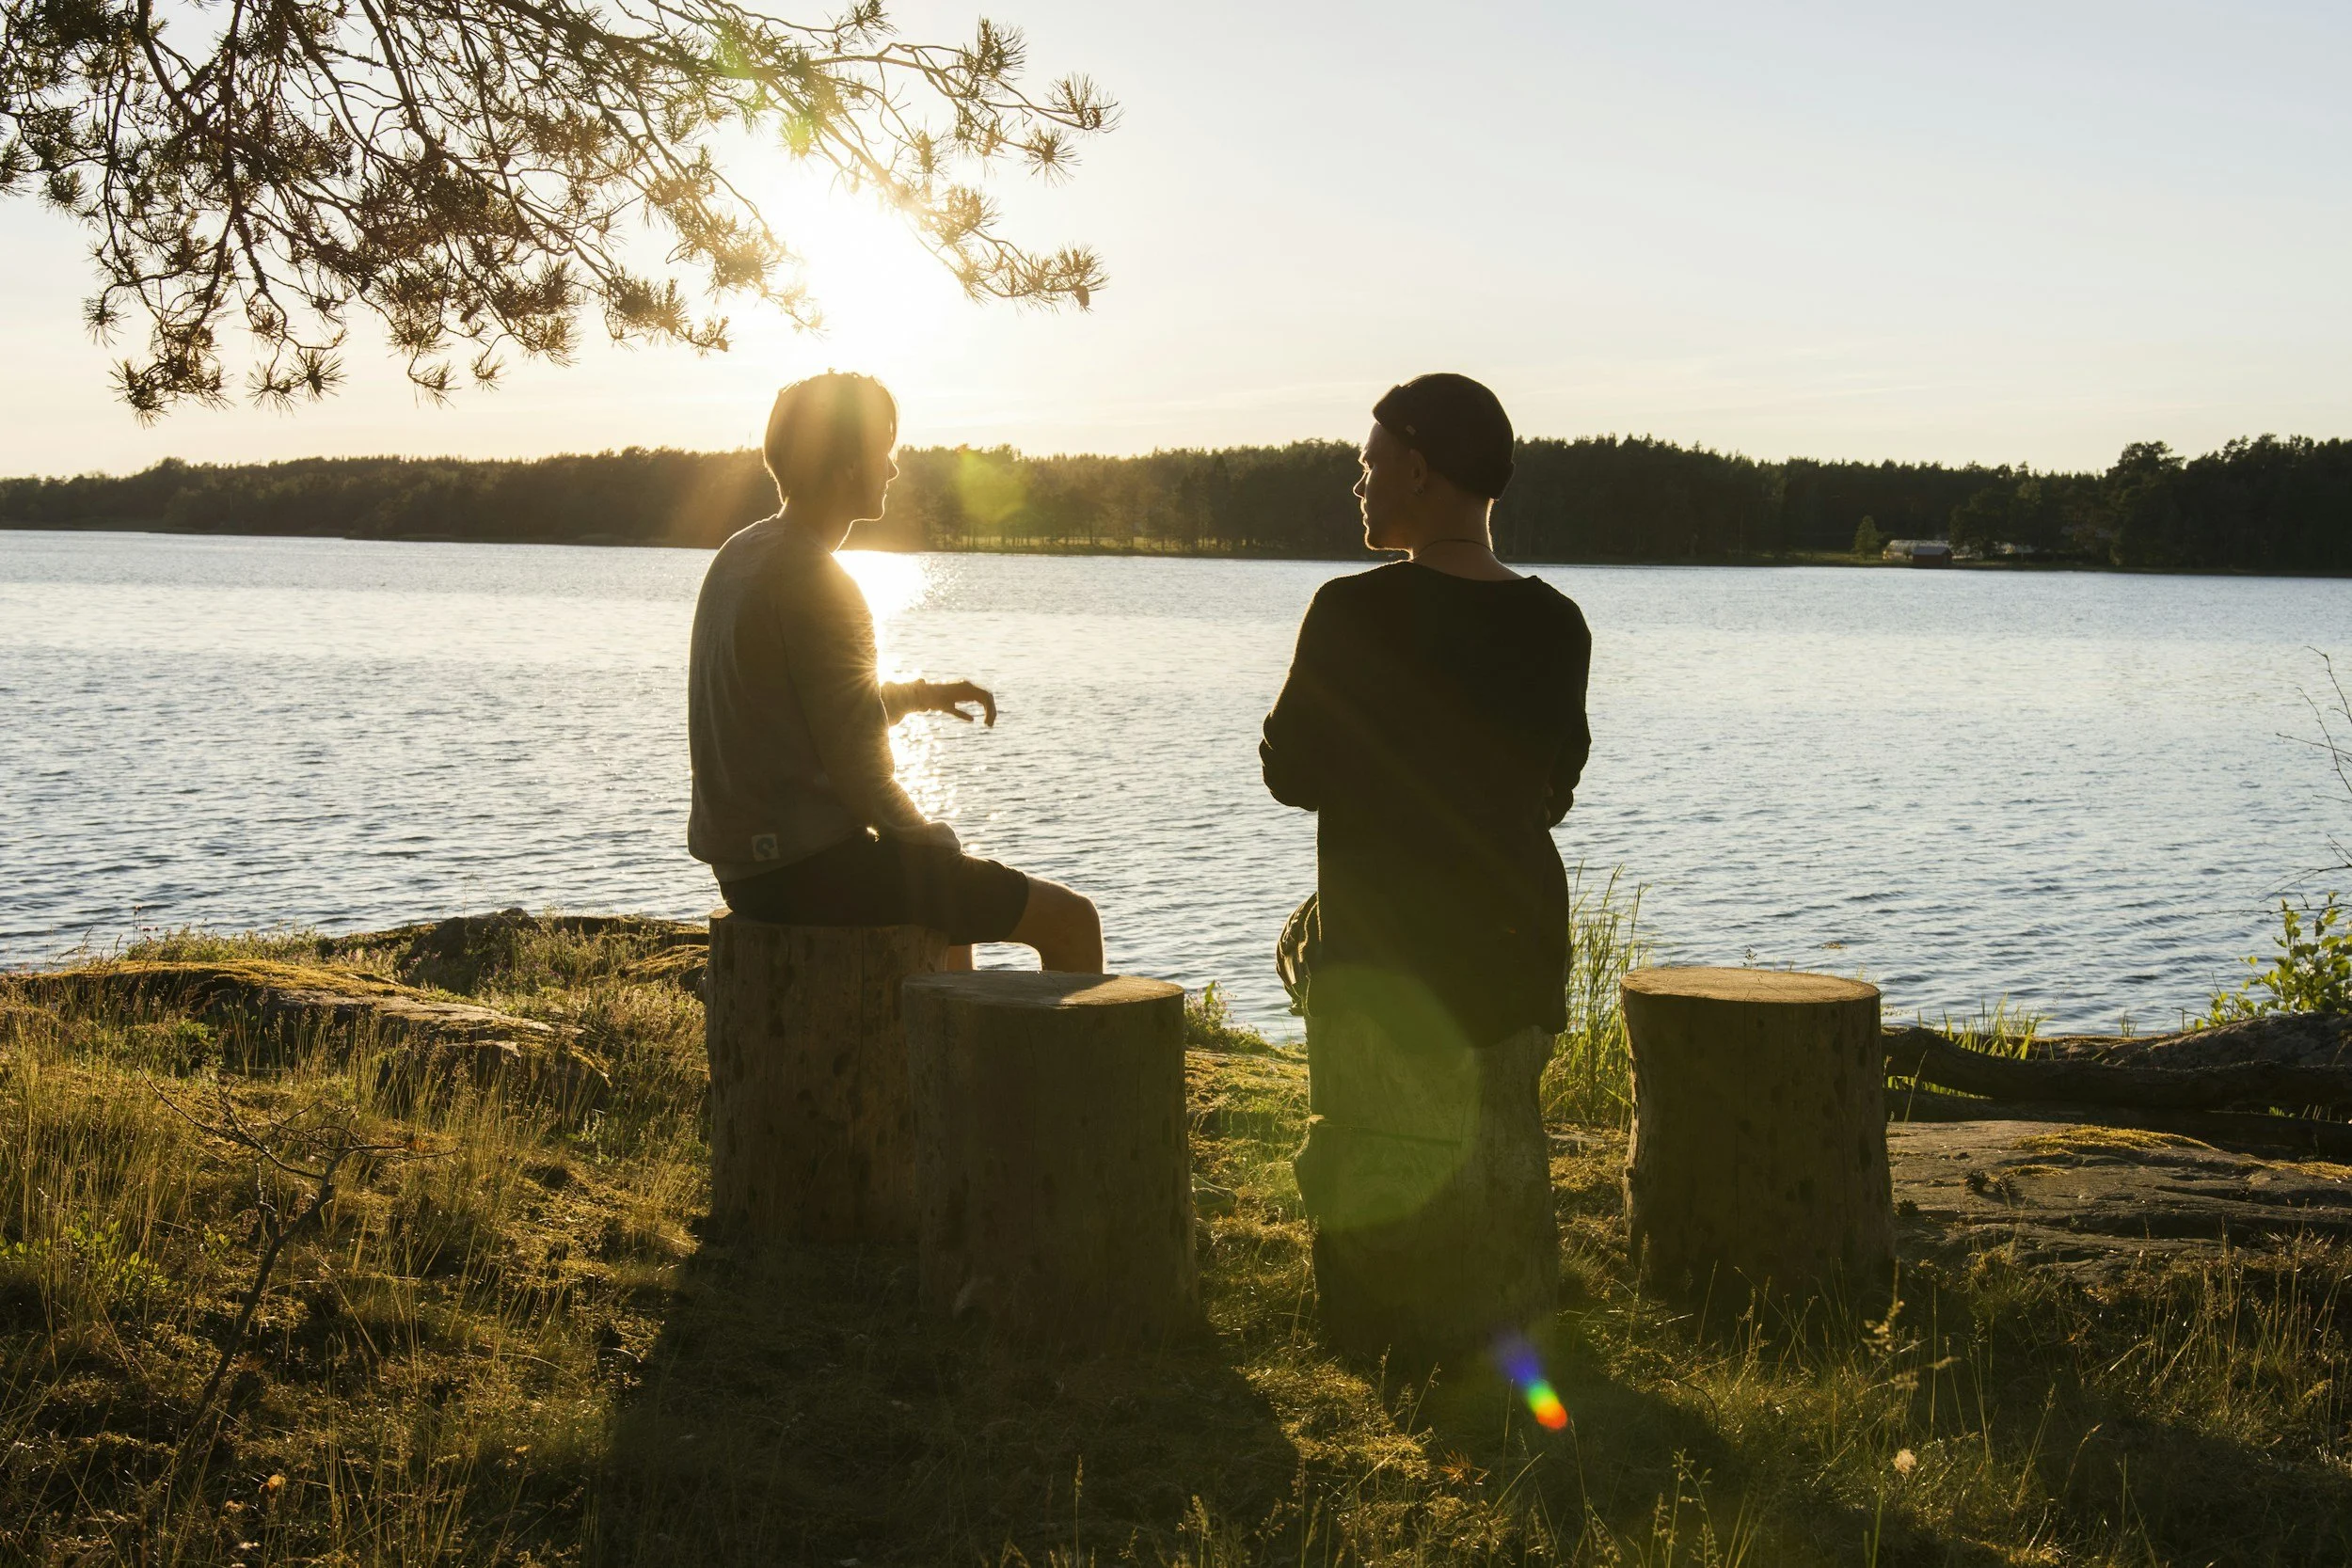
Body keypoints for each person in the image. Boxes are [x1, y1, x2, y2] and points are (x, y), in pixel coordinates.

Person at [1261, 372, 1592, 1360]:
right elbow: (1553, 784)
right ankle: (1508, 1311)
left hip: (1385, 953)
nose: (1357, 485)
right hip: (1510, 951)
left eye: (1367, 465)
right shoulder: (1556, 621)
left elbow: (1292, 773)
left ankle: (1385, 1332)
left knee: (1304, 942)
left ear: (1415, 467)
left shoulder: (1351, 612)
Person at [688, 372, 1104, 972]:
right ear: (849, 466)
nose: (894, 469)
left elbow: (808, 711)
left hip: (746, 872)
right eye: (885, 452)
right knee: (1070, 920)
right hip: (808, 873)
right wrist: (937, 841)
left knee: (947, 910)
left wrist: (921, 696)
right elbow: (862, 771)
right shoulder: (820, 581)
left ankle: (952, 1059)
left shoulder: (743, 553)